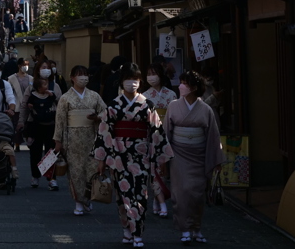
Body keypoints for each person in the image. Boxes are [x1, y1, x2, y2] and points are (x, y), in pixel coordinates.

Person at [94, 64, 174, 248]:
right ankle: (126, 229)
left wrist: (161, 159)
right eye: (129, 79)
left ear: (140, 82)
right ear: (122, 82)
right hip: (119, 154)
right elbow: (104, 132)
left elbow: (157, 132)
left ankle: (137, 232)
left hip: (141, 155)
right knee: (122, 195)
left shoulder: (147, 104)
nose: (133, 83)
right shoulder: (114, 105)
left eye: (136, 79)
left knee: (140, 193)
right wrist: (101, 159)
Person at [166, 70, 225, 245]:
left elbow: (213, 136)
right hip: (179, 155)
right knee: (182, 192)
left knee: (197, 194)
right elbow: (167, 133)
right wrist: (163, 156)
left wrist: (216, 159)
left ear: (194, 87)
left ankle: (196, 228)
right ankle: (185, 229)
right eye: (181, 82)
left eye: (185, 83)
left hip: (199, 155)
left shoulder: (205, 110)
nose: (181, 86)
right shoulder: (173, 106)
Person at [53, 65, 106, 210]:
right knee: (75, 172)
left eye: (85, 74)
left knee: (91, 170)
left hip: (91, 137)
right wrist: (58, 140)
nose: (83, 78)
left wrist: (97, 118)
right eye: (80, 75)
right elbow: (60, 121)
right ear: (72, 78)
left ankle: (88, 198)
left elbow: (105, 112)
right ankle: (78, 202)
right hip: (73, 139)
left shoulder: (94, 96)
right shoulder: (65, 98)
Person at [143, 61, 178, 218]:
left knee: (166, 170)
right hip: (151, 135)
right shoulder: (144, 96)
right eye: (148, 74)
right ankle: (161, 201)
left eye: (154, 73)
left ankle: (159, 200)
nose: (151, 77)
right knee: (154, 169)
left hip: (168, 133)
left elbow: (174, 116)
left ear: (160, 75)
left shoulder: (171, 95)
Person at [19, 76, 59, 190]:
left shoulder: (52, 91)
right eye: (44, 85)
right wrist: (22, 121)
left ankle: (51, 177)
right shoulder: (32, 94)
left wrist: (52, 96)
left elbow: (59, 102)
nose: (46, 87)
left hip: (50, 125)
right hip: (35, 126)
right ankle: (35, 175)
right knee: (35, 152)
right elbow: (25, 105)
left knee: (50, 152)